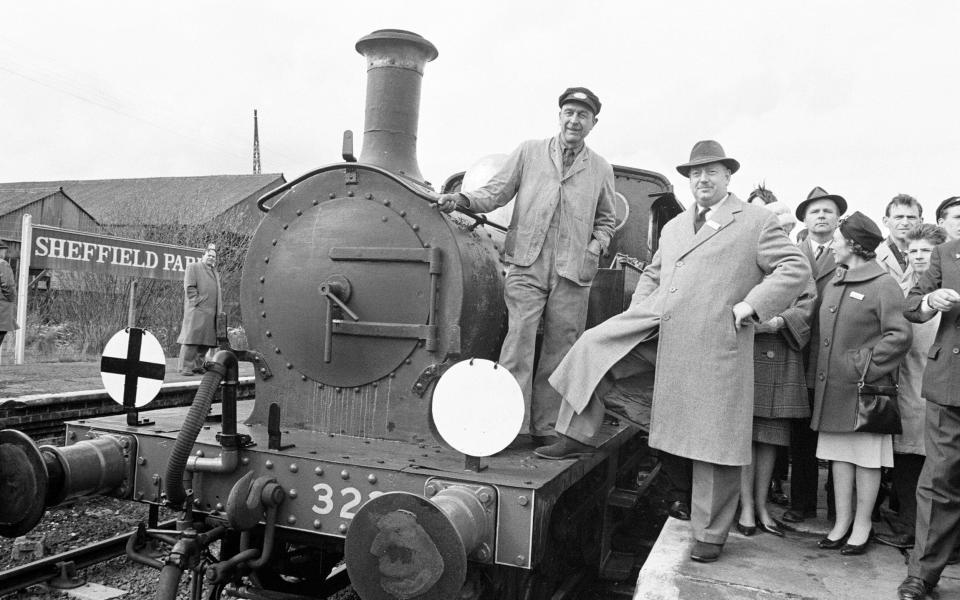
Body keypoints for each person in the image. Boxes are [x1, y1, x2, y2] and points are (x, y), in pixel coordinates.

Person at [543, 140, 809, 563]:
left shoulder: (755, 221)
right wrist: (640, 310)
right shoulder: (676, 226)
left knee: (713, 442)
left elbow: (794, 268)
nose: (702, 180)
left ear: (727, 177)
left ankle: (710, 534)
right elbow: (653, 271)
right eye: (695, 174)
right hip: (660, 326)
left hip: (713, 340)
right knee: (595, 346)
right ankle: (574, 434)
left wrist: (751, 305)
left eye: (711, 172)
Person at [436, 87, 616, 445]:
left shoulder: (601, 168)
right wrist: (461, 199)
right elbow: (497, 191)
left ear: (594, 123)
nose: (574, 120)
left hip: (572, 271)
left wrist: (595, 246)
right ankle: (513, 425)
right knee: (517, 342)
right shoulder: (529, 152)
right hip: (526, 264)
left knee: (561, 348)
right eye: (568, 112)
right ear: (559, 116)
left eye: (582, 115)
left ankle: (548, 426)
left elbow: (607, 219)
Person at [808, 211, 912, 556]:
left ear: (853, 245)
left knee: (866, 459)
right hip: (834, 389)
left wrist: (862, 364)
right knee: (839, 456)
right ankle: (841, 523)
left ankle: (863, 525)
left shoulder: (883, 285)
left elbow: (899, 336)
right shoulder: (837, 280)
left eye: (838, 241)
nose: (833, 245)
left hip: (862, 390)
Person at [738, 195, 817, 538]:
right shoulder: (745, 253)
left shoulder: (797, 259)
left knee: (769, 436)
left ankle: (761, 505)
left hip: (781, 349)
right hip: (747, 349)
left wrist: (779, 321)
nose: (780, 232)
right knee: (742, 435)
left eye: (785, 227)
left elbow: (808, 302)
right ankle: (744, 508)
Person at [896, 211, 960, 600]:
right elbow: (913, 304)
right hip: (950, 383)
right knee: (939, 481)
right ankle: (922, 575)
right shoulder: (946, 255)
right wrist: (931, 301)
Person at [875, 224, 946, 551]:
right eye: (914, 250)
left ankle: (933, 538)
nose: (919, 256)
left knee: (935, 467)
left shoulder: (948, 291)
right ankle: (908, 528)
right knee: (906, 462)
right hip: (904, 388)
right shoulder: (902, 288)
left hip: (935, 386)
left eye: (926, 251)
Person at [781, 186, 847, 524]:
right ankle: (800, 502)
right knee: (801, 434)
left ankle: (838, 510)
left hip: (834, 355)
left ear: (838, 220)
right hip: (798, 350)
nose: (821, 216)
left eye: (828, 211)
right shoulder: (791, 254)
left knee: (835, 436)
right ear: (804, 219)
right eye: (815, 211)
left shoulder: (849, 255)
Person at [176, 245, 223, 376]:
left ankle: (197, 365)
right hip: (197, 310)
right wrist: (197, 301)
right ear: (203, 256)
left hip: (211, 312)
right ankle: (185, 366)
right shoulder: (193, 267)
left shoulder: (215, 272)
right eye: (209, 255)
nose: (211, 258)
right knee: (192, 339)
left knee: (206, 341)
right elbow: (189, 287)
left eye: (214, 256)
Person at [876, 194, 923, 292]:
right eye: (899, 217)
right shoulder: (872, 254)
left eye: (911, 217)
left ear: (921, 221)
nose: (905, 223)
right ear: (885, 221)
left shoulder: (933, 254)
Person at [0, 242, 17, 348]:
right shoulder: (2, 264)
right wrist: (12, 299)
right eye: (4, 251)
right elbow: (8, 286)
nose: (5, 254)